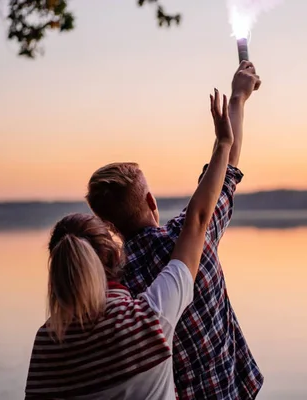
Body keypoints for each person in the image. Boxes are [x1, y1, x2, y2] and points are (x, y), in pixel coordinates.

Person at [24, 89, 235, 399]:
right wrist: (225, 141)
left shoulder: (46, 342)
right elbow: (198, 220)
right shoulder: (147, 318)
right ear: (112, 253)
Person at [85, 62, 263, 399]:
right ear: (151, 201)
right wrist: (238, 99)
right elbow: (225, 171)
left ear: (108, 226)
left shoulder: (114, 287)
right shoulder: (194, 238)